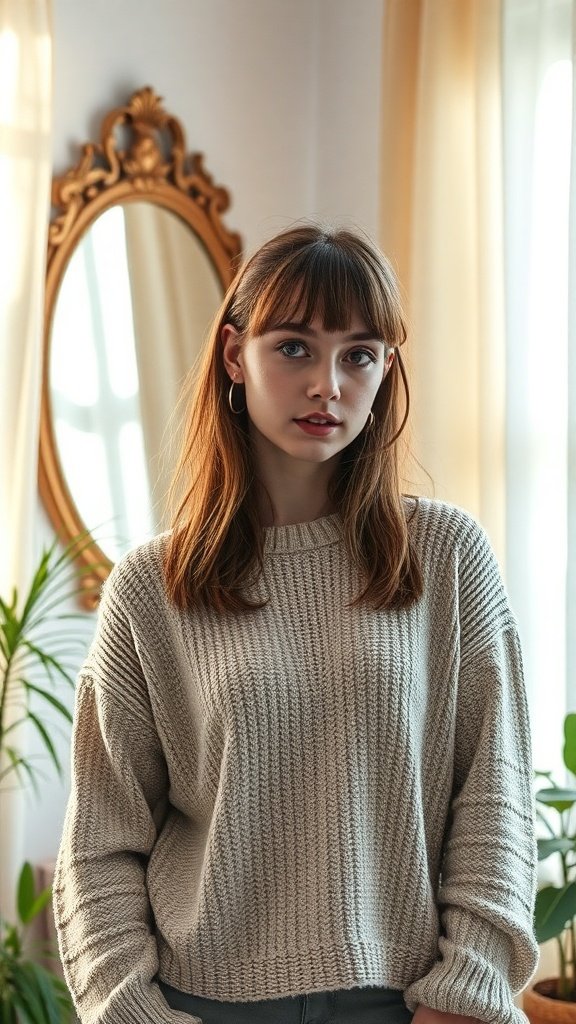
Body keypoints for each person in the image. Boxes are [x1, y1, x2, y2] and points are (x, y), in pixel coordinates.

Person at [53, 224, 539, 1024]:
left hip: (410, 1003)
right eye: (293, 348)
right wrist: (129, 1011)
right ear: (233, 355)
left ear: (386, 370)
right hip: (201, 1004)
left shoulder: (446, 556)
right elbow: (100, 844)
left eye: (359, 355)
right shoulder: (152, 588)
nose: (327, 385)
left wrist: (467, 992)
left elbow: (495, 795)